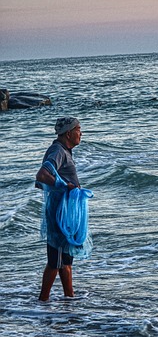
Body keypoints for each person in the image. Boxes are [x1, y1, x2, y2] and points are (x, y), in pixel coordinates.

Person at [35, 117, 83, 301]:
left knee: (66, 259)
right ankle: (43, 300)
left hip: (64, 213)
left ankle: (69, 298)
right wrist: (65, 186)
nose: (81, 133)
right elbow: (42, 175)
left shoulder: (64, 151)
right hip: (58, 213)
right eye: (78, 129)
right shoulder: (58, 151)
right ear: (68, 133)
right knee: (55, 260)